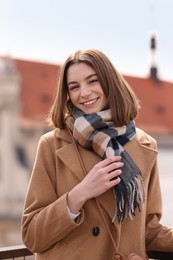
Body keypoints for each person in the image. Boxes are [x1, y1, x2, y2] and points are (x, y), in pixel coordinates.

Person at [21, 49, 173, 260]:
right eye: (74, 87)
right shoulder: (52, 145)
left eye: (92, 81)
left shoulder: (145, 145)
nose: (84, 93)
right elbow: (32, 235)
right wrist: (80, 193)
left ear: (109, 82)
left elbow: (148, 230)